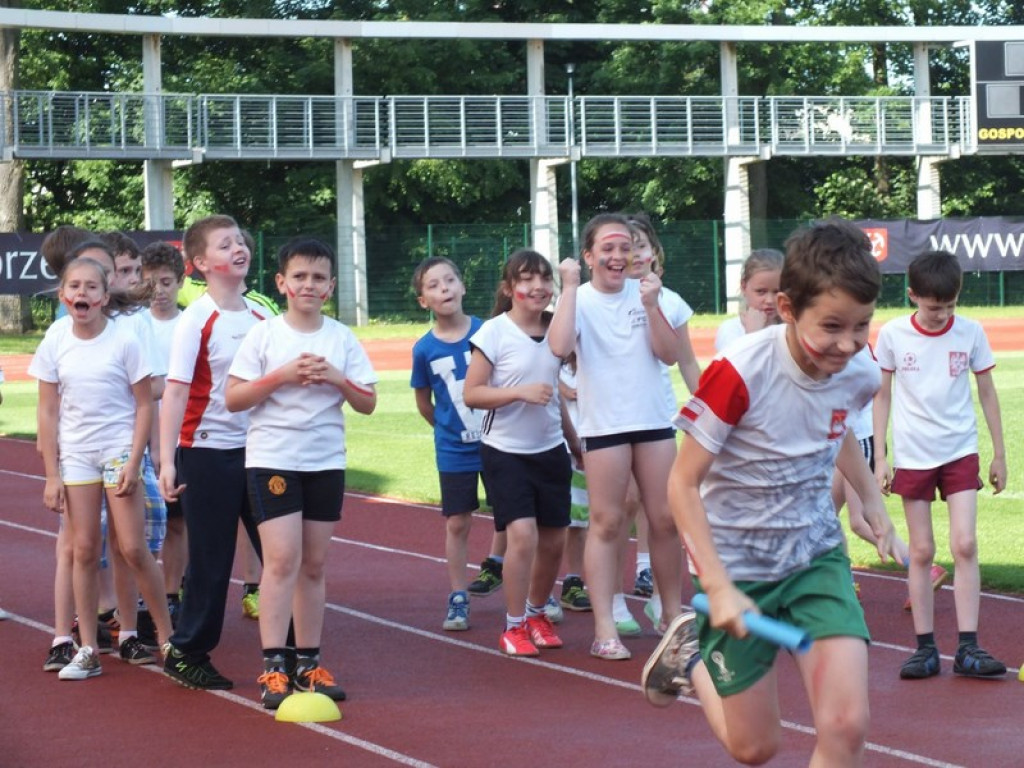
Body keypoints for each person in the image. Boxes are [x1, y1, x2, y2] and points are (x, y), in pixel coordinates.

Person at [642, 218, 897, 766]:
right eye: (831, 326)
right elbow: (682, 484)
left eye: (862, 326)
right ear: (786, 308)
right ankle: (690, 658)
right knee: (754, 747)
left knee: (847, 725)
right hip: (736, 566)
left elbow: (839, 425)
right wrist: (717, 584)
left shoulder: (857, 370)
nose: (848, 344)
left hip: (815, 558)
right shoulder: (739, 372)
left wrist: (870, 501)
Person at [226, 237, 377, 709]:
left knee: (314, 564)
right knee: (283, 560)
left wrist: (337, 379)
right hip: (274, 458)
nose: (308, 285)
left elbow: (367, 402)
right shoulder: (265, 335)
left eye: (317, 278)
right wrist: (282, 376)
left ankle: (308, 663)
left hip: (325, 461)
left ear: (330, 286)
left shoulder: (341, 337)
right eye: (299, 277)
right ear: (282, 283)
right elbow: (234, 398)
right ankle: (274, 666)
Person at [30, 257, 174, 681]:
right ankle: (87, 647)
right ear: (62, 296)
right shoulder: (56, 341)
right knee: (84, 549)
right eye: (74, 287)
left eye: (92, 287)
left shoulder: (124, 341)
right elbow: (48, 409)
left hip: (117, 453)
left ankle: (168, 639)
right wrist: (52, 474)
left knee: (132, 548)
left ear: (104, 296)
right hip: (76, 457)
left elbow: (146, 404)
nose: (83, 294)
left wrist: (134, 461)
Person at [549, 213, 684, 660]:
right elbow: (557, 345)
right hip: (604, 426)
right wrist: (567, 288)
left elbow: (667, 354)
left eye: (625, 248)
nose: (618, 256)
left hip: (653, 422)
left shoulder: (647, 294)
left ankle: (670, 614)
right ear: (588, 256)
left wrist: (650, 305)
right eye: (607, 249)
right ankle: (605, 626)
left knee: (664, 519)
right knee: (606, 523)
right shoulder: (579, 297)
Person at [873, 249, 1007, 680]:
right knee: (922, 549)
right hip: (913, 453)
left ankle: (969, 646)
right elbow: (882, 395)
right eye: (933, 307)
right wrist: (881, 455)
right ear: (913, 295)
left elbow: (987, 392)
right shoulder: (893, 335)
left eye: (949, 305)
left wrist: (999, 452)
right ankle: (924, 648)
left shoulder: (970, 332)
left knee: (965, 543)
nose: (941, 314)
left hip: (959, 449)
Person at [159, 214, 269, 690]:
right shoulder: (195, 320)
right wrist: (167, 461)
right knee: (212, 556)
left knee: (282, 552)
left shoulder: (264, 316)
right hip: (206, 453)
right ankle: (187, 651)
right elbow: (176, 393)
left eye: (240, 241)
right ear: (200, 263)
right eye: (224, 245)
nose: (237, 249)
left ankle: (291, 651)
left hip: (263, 451)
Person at [463, 249, 571, 657]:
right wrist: (518, 393)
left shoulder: (557, 330)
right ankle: (513, 626)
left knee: (554, 541)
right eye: (526, 279)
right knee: (522, 535)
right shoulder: (493, 332)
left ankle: (536, 612)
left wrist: (573, 439)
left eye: (545, 279)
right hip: (504, 452)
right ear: (509, 288)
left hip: (551, 449)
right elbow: (472, 393)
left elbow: (554, 393)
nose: (537, 287)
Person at [410, 256, 507, 631]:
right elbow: (423, 400)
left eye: (450, 280)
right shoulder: (424, 349)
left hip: (498, 441)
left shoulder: (489, 332)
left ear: (463, 286)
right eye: (433, 285)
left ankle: (509, 574)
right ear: (423, 301)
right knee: (457, 522)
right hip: (454, 449)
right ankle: (458, 596)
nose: (444, 289)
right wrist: (447, 429)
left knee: (511, 516)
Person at [622, 213, 700, 633]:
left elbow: (685, 359)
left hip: (654, 417)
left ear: (655, 253)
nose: (634, 254)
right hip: (611, 420)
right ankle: (616, 602)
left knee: (662, 512)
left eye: (641, 246)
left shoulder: (670, 301)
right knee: (620, 509)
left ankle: (660, 600)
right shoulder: (605, 296)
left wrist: (708, 410)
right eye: (626, 246)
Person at [141, 240, 188, 627]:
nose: (159, 290)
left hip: (183, 437)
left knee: (176, 521)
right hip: (139, 436)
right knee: (135, 524)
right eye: (151, 281)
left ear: (181, 282)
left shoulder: (190, 325)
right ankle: (138, 594)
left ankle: (171, 592)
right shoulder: (133, 324)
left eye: (166, 282)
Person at [714, 248, 784, 353]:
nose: (769, 300)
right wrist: (752, 334)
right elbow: (738, 367)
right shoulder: (731, 330)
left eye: (777, 291)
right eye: (761, 291)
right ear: (744, 287)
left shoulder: (791, 329)